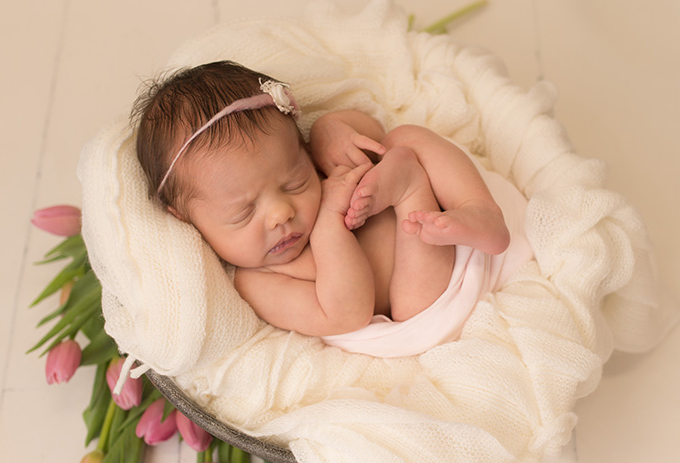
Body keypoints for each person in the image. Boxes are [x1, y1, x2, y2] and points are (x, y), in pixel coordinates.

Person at [132, 61, 510, 338]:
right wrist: (329, 223)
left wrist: (333, 130)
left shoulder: (314, 162)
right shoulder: (257, 282)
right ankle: (410, 186)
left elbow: (374, 133)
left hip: (455, 226)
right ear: (184, 218)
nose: (281, 212)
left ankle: (479, 211)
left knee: (405, 138)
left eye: (294, 182)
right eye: (244, 212)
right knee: (411, 302)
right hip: (428, 299)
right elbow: (347, 315)